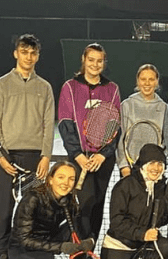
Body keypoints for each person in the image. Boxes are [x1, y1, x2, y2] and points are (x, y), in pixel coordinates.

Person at [0, 34, 55, 259]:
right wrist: (2, 157)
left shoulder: (45, 87)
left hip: (35, 160)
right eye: (24, 51)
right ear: (16, 53)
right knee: (5, 211)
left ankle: (28, 258)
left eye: (33, 52)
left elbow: (49, 124)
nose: (29, 57)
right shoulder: (1, 84)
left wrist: (46, 156)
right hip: (7, 160)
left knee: (32, 213)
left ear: (38, 56)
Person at [58, 43, 121, 244]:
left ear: (104, 63)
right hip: (79, 159)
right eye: (91, 59)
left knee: (97, 205)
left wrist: (103, 154)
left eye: (99, 61)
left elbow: (115, 126)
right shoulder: (70, 87)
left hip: (103, 160)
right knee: (82, 206)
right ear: (84, 60)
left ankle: (90, 254)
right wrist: (78, 155)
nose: (95, 64)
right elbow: (65, 123)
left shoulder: (112, 89)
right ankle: (79, 257)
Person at [8, 162, 95, 259]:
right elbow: (23, 239)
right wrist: (60, 247)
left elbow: (81, 229)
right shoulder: (32, 198)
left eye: (71, 179)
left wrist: (89, 240)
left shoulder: (69, 201)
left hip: (47, 240)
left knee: (82, 222)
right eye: (61, 177)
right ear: (50, 179)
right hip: (21, 247)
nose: (66, 183)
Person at [101, 144, 168, 259]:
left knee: (167, 246)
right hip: (119, 244)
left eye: (160, 164)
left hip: (142, 246)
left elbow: (165, 217)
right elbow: (117, 222)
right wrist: (142, 234)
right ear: (143, 165)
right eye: (151, 163)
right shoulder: (124, 186)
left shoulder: (163, 188)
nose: (156, 168)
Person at [117, 64, 167, 177]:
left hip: (154, 171)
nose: (147, 83)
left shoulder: (164, 108)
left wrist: (157, 165)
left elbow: (166, 142)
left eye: (151, 79)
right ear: (138, 81)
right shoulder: (126, 105)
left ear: (156, 82)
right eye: (143, 79)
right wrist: (124, 166)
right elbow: (120, 139)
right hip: (130, 169)